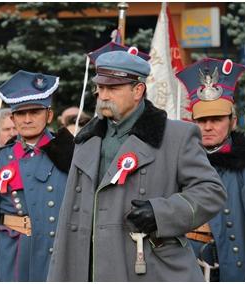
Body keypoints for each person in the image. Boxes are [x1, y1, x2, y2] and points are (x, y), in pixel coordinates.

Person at [47, 49, 226, 281]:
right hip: (90, 269)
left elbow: (212, 192)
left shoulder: (176, 136)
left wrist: (161, 212)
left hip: (148, 266)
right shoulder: (86, 140)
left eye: (113, 88)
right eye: (100, 88)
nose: (104, 95)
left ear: (138, 90)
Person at [0, 70, 74, 282]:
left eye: (35, 112)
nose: (27, 119)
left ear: (49, 115)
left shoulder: (70, 154)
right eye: (20, 113)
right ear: (12, 117)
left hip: (59, 256)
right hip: (14, 259)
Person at [184, 58, 245, 281]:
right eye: (202, 120)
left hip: (232, 265)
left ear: (233, 121)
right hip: (187, 266)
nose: (208, 127)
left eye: (216, 119)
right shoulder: (179, 162)